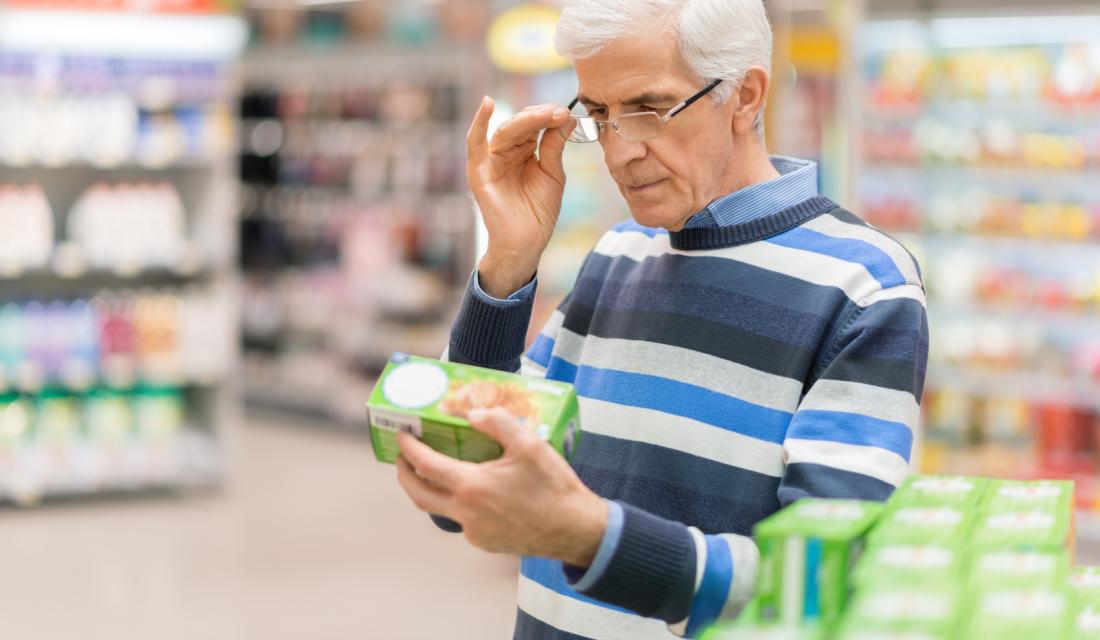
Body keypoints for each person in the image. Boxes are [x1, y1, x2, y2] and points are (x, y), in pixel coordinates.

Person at [393, 0, 929, 637]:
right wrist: (506, 263)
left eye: (648, 109)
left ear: (745, 96)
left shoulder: (864, 286)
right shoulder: (618, 254)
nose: (619, 153)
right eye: (599, 115)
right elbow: (463, 487)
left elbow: (816, 587)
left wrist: (591, 539)